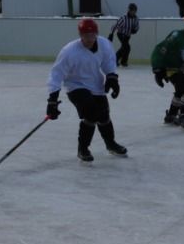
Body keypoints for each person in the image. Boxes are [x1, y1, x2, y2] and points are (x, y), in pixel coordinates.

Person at [45, 18, 126, 162]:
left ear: (97, 34)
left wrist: (112, 77)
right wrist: (52, 100)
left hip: (96, 85)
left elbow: (109, 61)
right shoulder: (69, 51)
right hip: (75, 86)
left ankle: (110, 143)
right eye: (85, 36)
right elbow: (56, 74)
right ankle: (83, 148)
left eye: (92, 35)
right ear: (80, 35)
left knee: (104, 115)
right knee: (91, 113)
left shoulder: (104, 44)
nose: (89, 39)